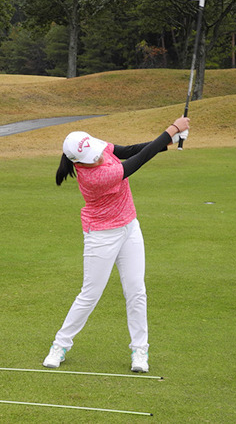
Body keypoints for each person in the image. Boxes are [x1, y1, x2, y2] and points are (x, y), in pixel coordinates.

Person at [43, 117, 190, 373]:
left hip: (130, 228)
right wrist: (170, 131)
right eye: (91, 157)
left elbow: (131, 150)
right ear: (78, 162)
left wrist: (171, 140)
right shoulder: (96, 177)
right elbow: (138, 161)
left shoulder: (98, 149)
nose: (98, 156)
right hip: (101, 235)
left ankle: (139, 350)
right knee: (90, 294)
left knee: (136, 291)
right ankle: (60, 345)